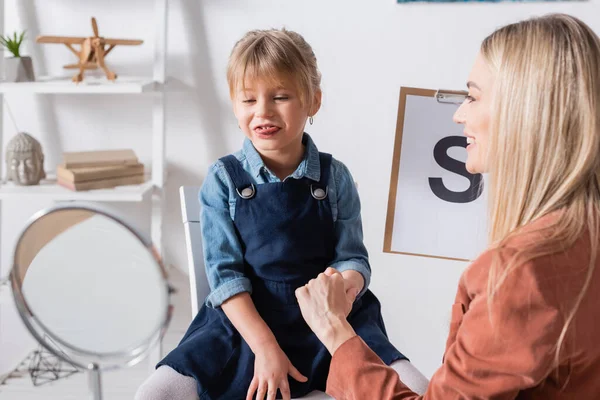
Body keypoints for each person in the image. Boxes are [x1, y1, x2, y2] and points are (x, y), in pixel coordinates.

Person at [295, 13, 600, 399]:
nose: (459, 114)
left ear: (525, 111)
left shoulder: (521, 273)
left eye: (472, 96)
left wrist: (336, 333)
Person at [135, 28, 428, 400]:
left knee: (420, 390)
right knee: (154, 394)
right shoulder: (223, 179)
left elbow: (352, 256)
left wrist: (344, 291)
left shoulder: (334, 177)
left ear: (313, 101)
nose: (263, 111)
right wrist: (265, 347)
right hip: (245, 323)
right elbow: (225, 277)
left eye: (281, 96)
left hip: (327, 321)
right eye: (248, 99)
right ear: (234, 104)